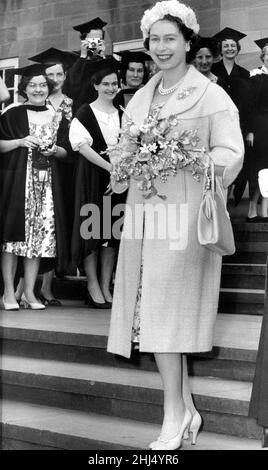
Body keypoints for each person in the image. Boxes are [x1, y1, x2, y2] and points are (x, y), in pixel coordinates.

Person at [107, 0, 244, 450]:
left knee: (165, 314)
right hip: (146, 217)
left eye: (171, 39)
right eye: (155, 41)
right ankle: (185, 407)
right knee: (154, 311)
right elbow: (125, 153)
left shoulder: (211, 94)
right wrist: (125, 163)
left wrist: (186, 158)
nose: (162, 48)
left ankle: (173, 416)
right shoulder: (142, 96)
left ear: (188, 42)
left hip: (185, 219)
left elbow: (230, 153)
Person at [0, 64, 70, 311]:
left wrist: (55, 151)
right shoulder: (12, 112)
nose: (38, 89)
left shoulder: (57, 115)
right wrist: (19, 141)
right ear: (24, 88)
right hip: (18, 184)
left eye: (42, 85)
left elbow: (66, 151)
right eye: (33, 85)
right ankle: (9, 293)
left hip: (46, 187)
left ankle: (29, 293)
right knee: (12, 240)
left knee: (38, 240)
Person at [69, 57, 124, 309]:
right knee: (92, 232)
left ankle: (105, 284)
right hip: (93, 177)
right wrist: (110, 168)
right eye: (106, 84)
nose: (111, 88)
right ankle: (92, 285)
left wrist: (120, 173)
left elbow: (130, 148)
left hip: (119, 181)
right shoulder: (84, 112)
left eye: (114, 84)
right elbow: (82, 146)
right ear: (95, 85)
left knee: (112, 235)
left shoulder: (123, 114)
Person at [25, 47, 76, 305]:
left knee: (52, 228)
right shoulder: (27, 106)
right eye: (49, 76)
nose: (53, 80)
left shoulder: (70, 104)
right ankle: (25, 289)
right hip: (31, 173)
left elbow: (71, 141)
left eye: (58, 75)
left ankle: (45, 288)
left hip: (60, 170)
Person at [212, 28, 251, 205]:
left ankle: (232, 200)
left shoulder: (244, 74)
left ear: (237, 49)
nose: (229, 48)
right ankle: (220, 202)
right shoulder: (213, 71)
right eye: (226, 45)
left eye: (232, 46)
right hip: (218, 124)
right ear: (221, 49)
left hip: (239, 124)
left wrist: (249, 130)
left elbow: (250, 104)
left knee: (238, 162)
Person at [243, 38, 268, 221]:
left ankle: (265, 210)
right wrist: (250, 130)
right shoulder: (256, 77)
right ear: (263, 57)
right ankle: (252, 208)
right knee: (258, 168)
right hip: (260, 127)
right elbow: (249, 106)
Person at [64, 17, 107, 112]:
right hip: (80, 110)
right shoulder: (73, 59)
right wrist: (83, 57)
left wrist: (103, 57)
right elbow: (71, 85)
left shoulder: (106, 60)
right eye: (92, 39)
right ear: (84, 40)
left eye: (99, 39)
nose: (95, 43)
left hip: (102, 109)